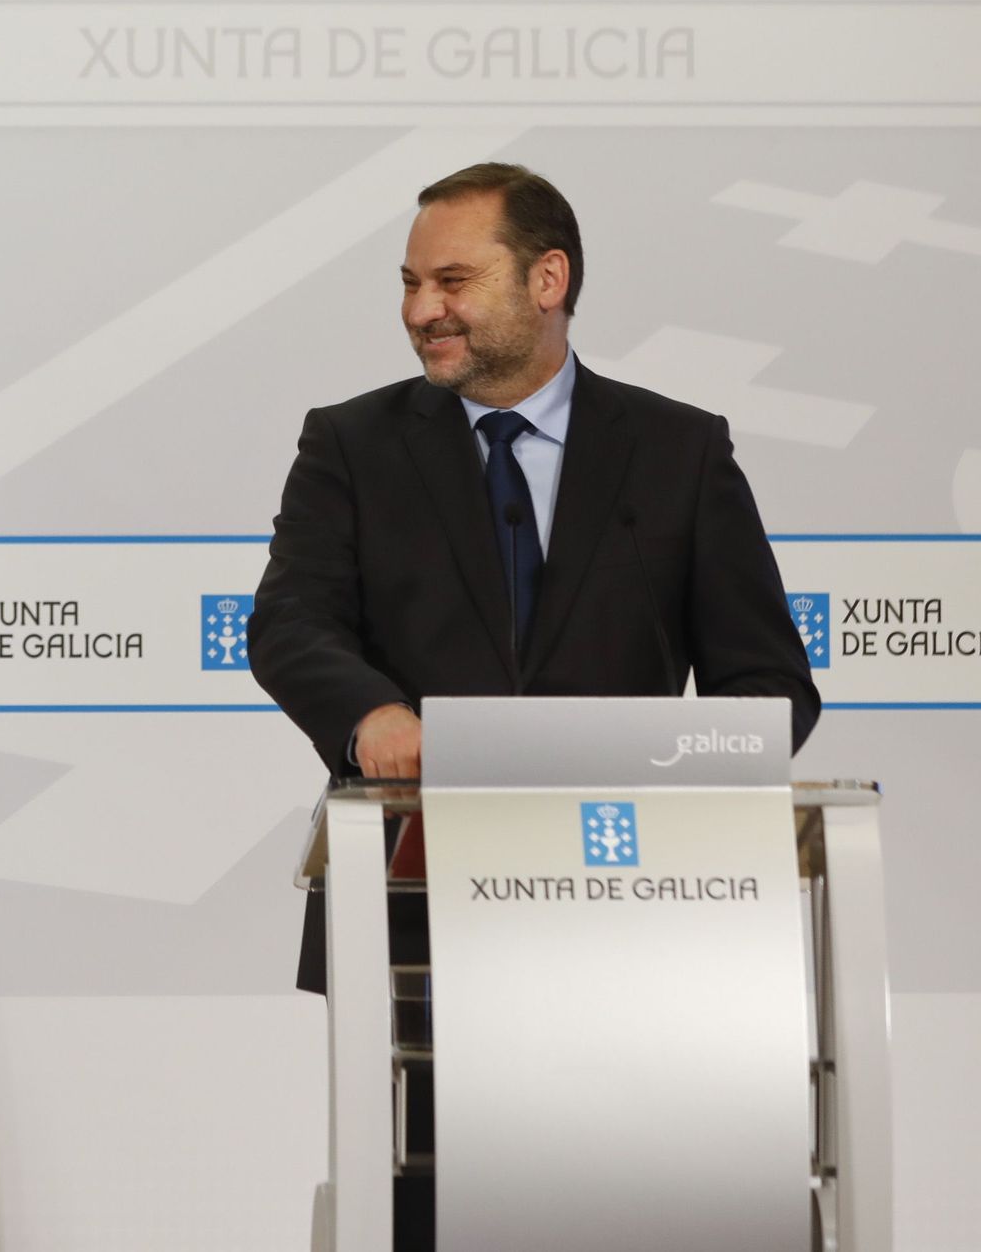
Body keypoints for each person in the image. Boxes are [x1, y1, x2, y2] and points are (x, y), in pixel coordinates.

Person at [248, 161, 819, 1244]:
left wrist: (661, 763)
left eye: (453, 281)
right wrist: (373, 716)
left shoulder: (679, 449)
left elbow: (770, 689)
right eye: (410, 285)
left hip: (640, 918)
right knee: (430, 1213)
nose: (423, 311)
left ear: (547, 278)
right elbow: (289, 622)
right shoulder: (352, 445)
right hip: (421, 913)